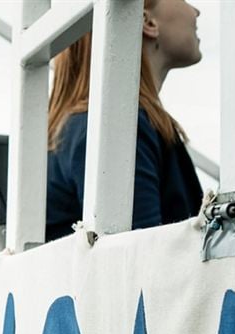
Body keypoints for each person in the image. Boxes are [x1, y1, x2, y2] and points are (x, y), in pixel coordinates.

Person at [45, 0, 204, 241]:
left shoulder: (81, 126)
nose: (196, 11)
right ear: (146, 21)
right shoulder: (118, 129)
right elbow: (142, 259)